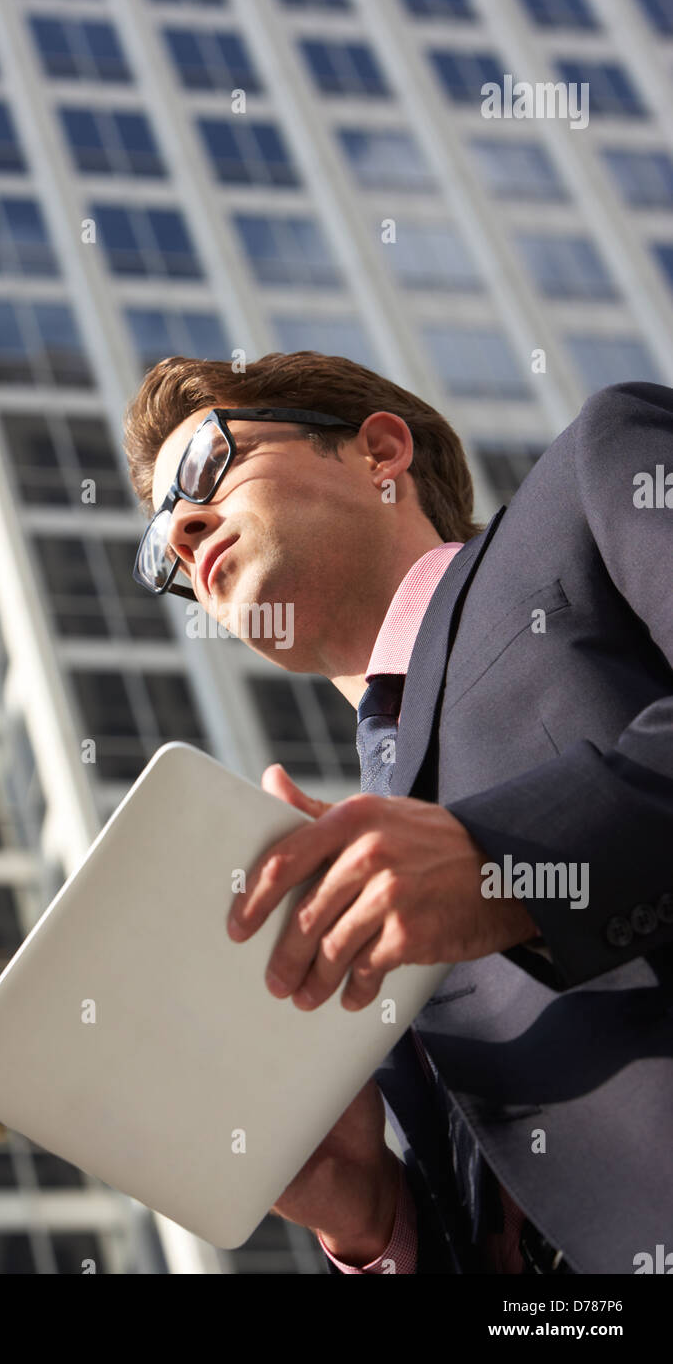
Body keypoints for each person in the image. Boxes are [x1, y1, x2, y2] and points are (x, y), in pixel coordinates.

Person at [122, 351, 673, 1275]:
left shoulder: (593, 470)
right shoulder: (353, 863)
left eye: (204, 470)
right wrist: (378, 1224)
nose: (185, 531)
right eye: (160, 543)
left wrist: (506, 863)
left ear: (379, 452)